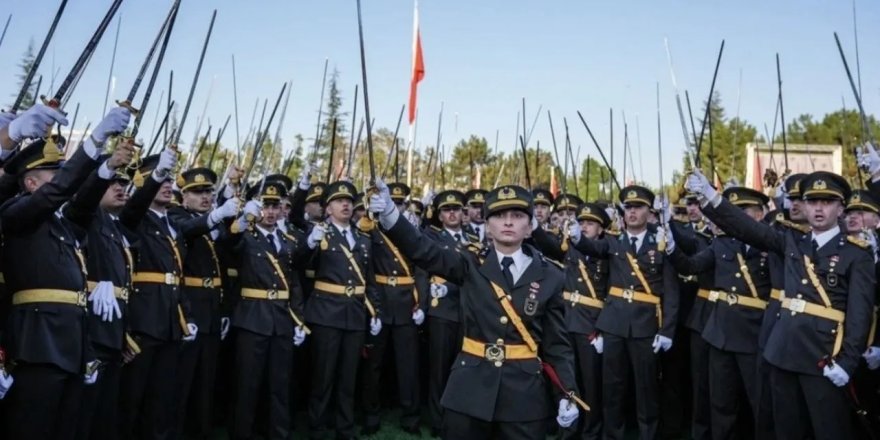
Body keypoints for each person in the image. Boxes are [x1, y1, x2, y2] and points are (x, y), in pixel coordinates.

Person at [371, 181, 582, 440]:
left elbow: (557, 345)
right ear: (488, 226)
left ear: (529, 228)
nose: (507, 222)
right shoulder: (469, 263)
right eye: (499, 216)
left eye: (517, 216)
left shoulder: (550, 275)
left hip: (524, 395)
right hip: (469, 389)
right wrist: (391, 214)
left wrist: (567, 392)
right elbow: (422, 250)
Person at [687, 169, 876, 439]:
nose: (818, 208)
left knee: (828, 429)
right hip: (783, 353)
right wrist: (710, 195)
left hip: (823, 357)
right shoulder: (791, 241)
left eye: (827, 202)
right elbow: (746, 227)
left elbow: (860, 316)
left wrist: (846, 362)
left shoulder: (856, 255)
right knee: (786, 430)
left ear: (841, 208)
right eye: (812, 202)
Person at [1, 106, 132, 439]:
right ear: (31, 183)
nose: (62, 179)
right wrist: (93, 142)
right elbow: (57, 191)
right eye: (53, 174)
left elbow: (83, 202)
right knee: (34, 427)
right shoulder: (17, 213)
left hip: (73, 342)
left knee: (66, 428)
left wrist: (104, 167)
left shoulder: (62, 224)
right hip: (38, 342)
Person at [568, 185, 679, 440]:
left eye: (638, 207)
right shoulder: (613, 241)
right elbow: (592, 249)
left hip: (645, 326)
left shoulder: (660, 241)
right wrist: (577, 238)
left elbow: (671, 293)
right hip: (614, 324)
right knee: (612, 389)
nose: (632, 212)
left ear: (648, 211)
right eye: (628, 208)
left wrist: (667, 330)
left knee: (646, 390)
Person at [668, 186, 773, 439]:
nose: (733, 216)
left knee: (760, 403)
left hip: (754, 333)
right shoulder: (722, 244)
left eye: (742, 211)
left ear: (759, 214)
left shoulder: (772, 243)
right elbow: (692, 265)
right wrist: (672, 248)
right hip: (720, 333)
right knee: (721, 403)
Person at [118, 147, 198, 440]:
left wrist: (186, 316)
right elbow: (133, 208)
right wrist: (155, 177)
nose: (167, 185)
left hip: (169, 321)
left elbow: (177, 276)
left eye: (168, 179)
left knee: (162, 398)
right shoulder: (134, 217)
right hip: (143, 320)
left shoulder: (172, 225)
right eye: (158, 179)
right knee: (132, 399)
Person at [227, 178, 308, 440]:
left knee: (279, 385)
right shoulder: (245, 236)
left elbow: (294, 282)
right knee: (247, 385)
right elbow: (228, 246)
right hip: (252, 318)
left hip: (281, 320)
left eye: (276, 206)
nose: (271, 212)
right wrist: (239, 223)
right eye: (266, 206)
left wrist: (298, 319)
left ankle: (278, 434)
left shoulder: (287, 240)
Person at [303, 180, 382, 440]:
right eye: (338, 201)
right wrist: (310, 244)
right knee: (323, 376)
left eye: (348, 200)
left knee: (349, 377)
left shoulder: (362, 237)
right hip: (326, 313)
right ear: (328, 208)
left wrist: (375, 312)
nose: (346, 204)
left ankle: (344, 427)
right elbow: (299, 265)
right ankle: (317, 427)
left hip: (355, 314)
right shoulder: (319, 233)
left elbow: (369, 279)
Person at [168, 167, 240, 439]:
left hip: (212, 308)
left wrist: (236, 225)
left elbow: (227, 260)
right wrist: (217, 215)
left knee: (206, 382)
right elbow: (187, 230)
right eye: (197, 192)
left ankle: (201, 431)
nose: (205, 196)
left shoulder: (215, 223)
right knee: (182, 380)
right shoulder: (177, 216)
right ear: (184, 197)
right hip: (189, 308)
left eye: (209, 191)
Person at [532, 202, 612, 440]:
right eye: (582, 222)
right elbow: (547, 245)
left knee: (590, 384)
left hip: (590, 326)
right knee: (565, 380)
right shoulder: (569, 247)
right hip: (566, 320)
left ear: (601, 229)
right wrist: (535, 225)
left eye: (590, 223)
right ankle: (566, 430)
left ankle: (590, 431)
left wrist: (603, 328)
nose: (585, 227)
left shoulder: (608, 253)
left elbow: (613, 293)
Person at [361, 182, 426, 435]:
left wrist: (421, 304)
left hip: (406, 303)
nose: (396, 207)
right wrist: (372, 306)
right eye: (392, 202)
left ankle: (411, 417)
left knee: (408, 366)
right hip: (380, 301)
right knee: (373, 365)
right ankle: (371, 414)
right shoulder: (370, 229)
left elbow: (421, 269)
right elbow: (364, 268)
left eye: (400, 203)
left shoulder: (409, 231)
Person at [420, 189, 476, 436]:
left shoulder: (473, 236)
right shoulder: (432, 237)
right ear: (439, 215)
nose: (452, 213)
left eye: (456, 209)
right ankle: (437, 419)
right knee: (439, 370)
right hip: (441, 309)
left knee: (462, 369)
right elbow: (423, 270)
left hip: (467, 310)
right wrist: (424, 301)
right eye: (447, 210)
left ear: (463, 213)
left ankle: (458, 417)